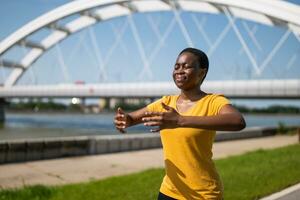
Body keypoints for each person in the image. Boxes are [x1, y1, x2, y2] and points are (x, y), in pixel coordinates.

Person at [114, 47, 246, 200]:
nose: (179, 71)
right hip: (169, 192)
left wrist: (180, 120)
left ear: (201, 73)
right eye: (176, 67)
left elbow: (238, 121)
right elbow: (132, 118)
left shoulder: (213, 101)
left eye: (186, 67)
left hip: (204, 194)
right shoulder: (165, 103)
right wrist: (124, 119)